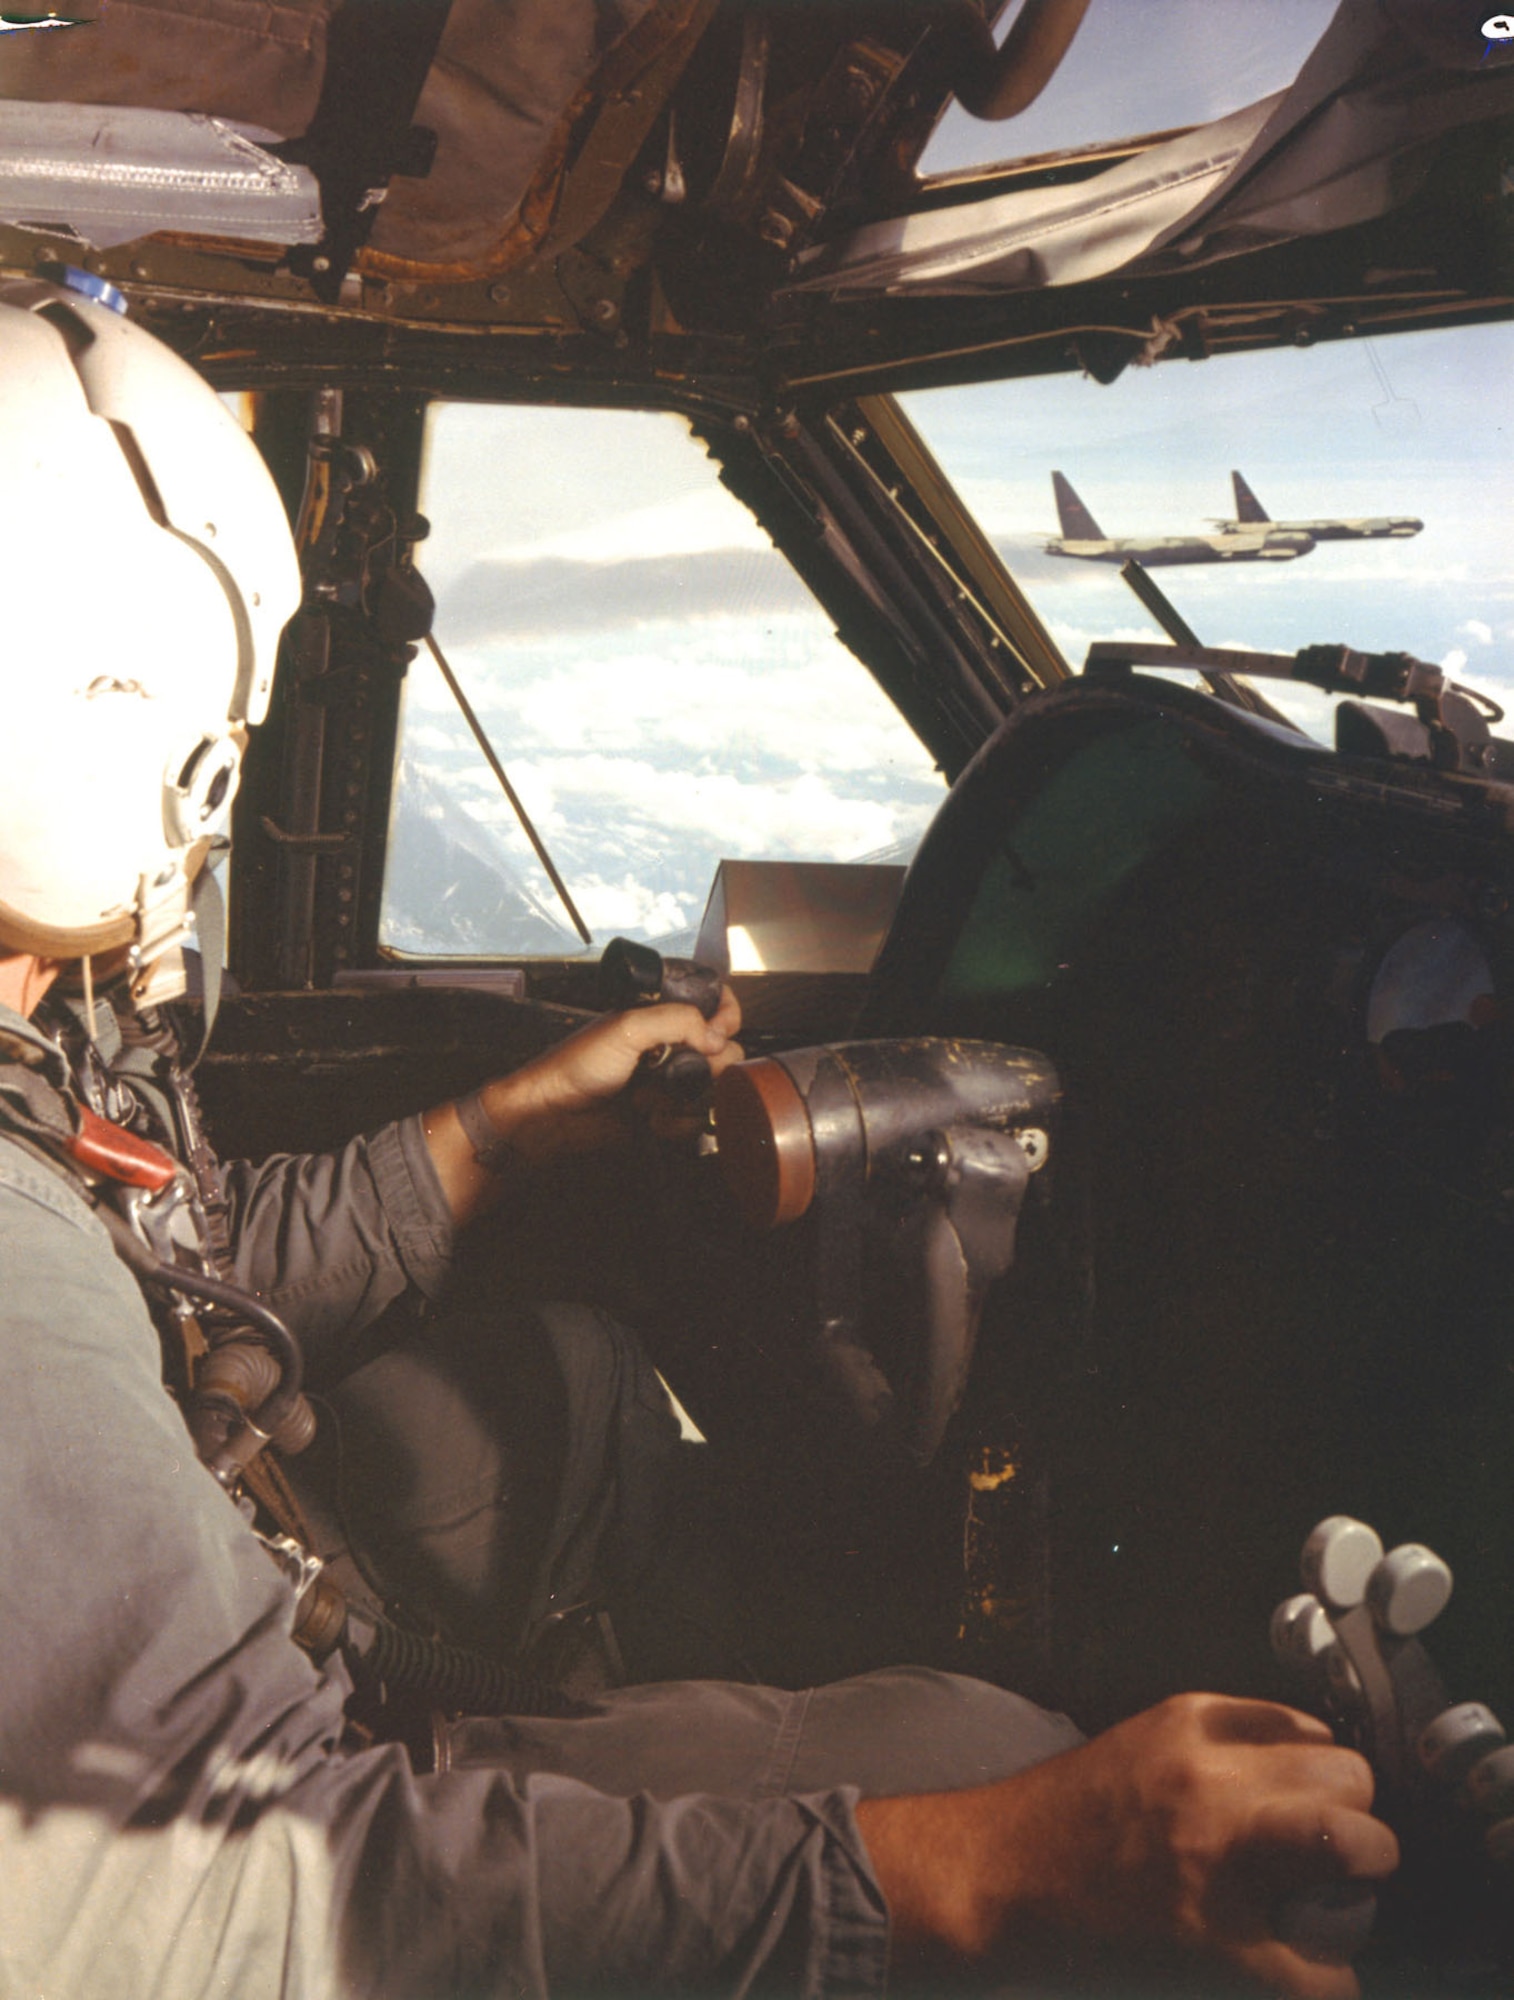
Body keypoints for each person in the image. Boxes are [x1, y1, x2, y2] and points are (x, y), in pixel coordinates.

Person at [0, 276, 1397, 1998]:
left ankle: (630, 1727)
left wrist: (505, 1128)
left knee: (571, 1386)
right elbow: (220, 1910)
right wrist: (990, 1862)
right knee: (978, 1739)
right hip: (283, 1845)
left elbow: (162, 1272)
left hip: (220, 1589)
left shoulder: (32, 1041)